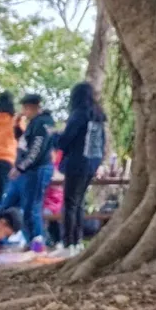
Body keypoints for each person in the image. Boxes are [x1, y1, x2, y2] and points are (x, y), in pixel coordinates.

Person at [51, 82, 106, 257]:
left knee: (69, 203)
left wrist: (54, 135)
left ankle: (68, 243)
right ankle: (77, 241)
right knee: (79, 203)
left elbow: (65, 141)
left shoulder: (78, 115)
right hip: (91, 164)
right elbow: (101, 143)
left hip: (77, 163)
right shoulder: (98, 116)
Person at [11, 93, 56, 253]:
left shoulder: (42, 123)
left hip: (38, 169)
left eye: (25, 108)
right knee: (24, 206)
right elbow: (24, 143)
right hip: (29, 170)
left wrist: (21, 167)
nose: (24, 112)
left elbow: (36, 150)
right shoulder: (33, 123)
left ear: (31, 107)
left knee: (33, 207)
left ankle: (37, 243)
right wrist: (16, 126)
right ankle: (31, 240)